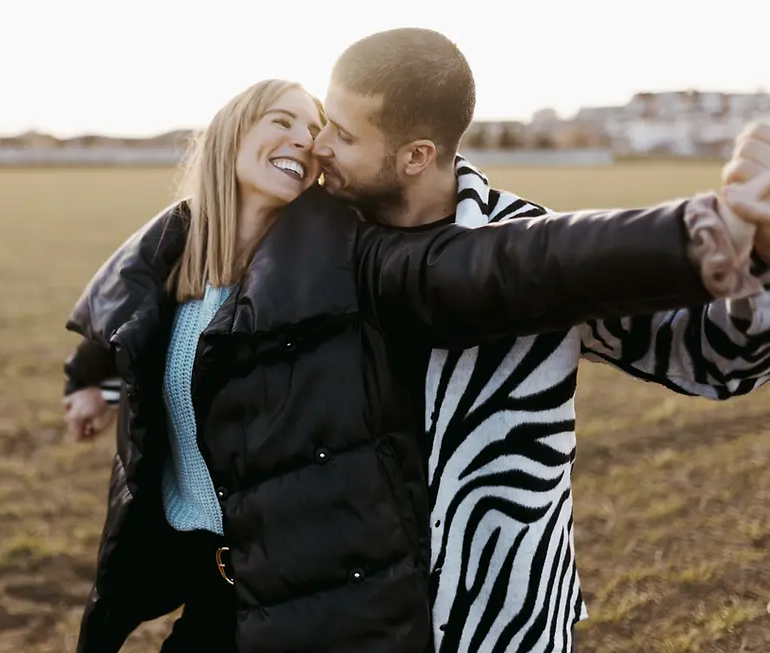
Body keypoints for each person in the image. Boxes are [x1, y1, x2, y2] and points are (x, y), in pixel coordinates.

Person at [62, 77, 769, 653]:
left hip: (371, 609)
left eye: (324, 129)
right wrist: (88, 380)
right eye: (289, 121)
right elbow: (121, 314)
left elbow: (524, 263)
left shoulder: (357, 257)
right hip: (220, 588)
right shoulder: (172, 249)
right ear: (229, 134)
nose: (310, 144)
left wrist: (713, 229)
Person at [310, 28, 770, 653]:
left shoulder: (543, 249)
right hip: (345, 619)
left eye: (343, 133)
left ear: (416, 154)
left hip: (501, 623)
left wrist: (762, 257)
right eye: (322, 120)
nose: (320, 145)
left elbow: (716, 360)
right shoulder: (311, 246)